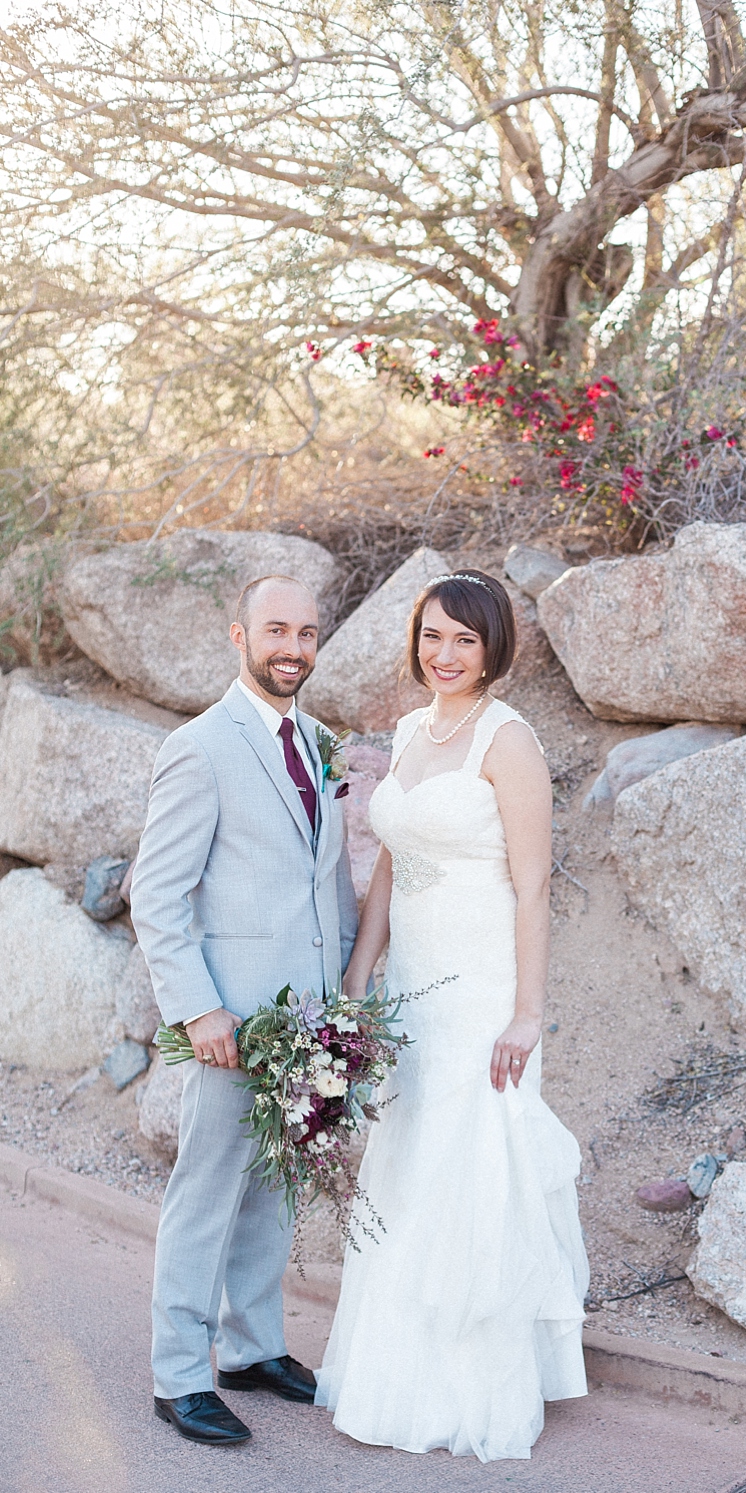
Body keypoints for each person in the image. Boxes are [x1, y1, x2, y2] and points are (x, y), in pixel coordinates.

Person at [315, 568, 589, 1462]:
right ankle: (394, 1365)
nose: (444, 654)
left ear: (492, 648)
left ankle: (475, 1382)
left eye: (464, 640)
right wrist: (361, 970)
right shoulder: (408, 731)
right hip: (413, 985)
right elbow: (389, 859)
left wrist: (526, 1013)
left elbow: (534, 882)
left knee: (467, 1159)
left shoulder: (508, 741)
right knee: (406, 1155)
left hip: (480, 986)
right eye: (433, 635)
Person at [130, 574, 359, 1447]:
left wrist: (342, 1007)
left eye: (305, 632)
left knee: (274, 1182)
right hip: (228, 1026)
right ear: (239, 635)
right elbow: (157, 894)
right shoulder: (200, 745)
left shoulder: (322, 741)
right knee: (208, 1188)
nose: (291, 647)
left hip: (306, 1019)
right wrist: (198, 1014)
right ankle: (179, 1374)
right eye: (275, 630)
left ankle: (252, 1346)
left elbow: (329, 882)